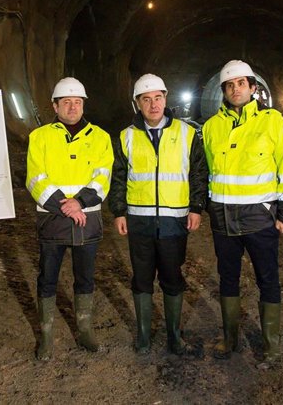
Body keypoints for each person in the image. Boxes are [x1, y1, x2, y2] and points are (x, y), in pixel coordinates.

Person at [202, 60, 283, 367]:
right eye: (229, 85)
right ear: (223, 91)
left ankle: (271, 346)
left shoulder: (272, 122)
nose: (235, 89)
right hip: (223, 219)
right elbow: (207, 169)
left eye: (241, 83)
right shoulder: (210, 127)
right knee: (227, 279)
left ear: (253, 87)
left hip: (259, 217)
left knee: (267, 279)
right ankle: (230, 339)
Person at [108, 73, 208, 355]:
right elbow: (117, 177)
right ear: (137, 104)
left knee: (172, 277)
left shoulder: (187, 134)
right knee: (141, 279)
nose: (153, 105)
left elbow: (199, 173)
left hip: (174, 220)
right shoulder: (126, 137)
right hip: (138, 221)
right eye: (146, 99)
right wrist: (118, 211)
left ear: (166, 99)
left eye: (158, 98)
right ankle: (143, 335)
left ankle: (174, 335)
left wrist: (196, 207)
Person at [26, 77, 113, 361]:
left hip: (87, 219)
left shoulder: (100, 137)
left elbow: (103, 177)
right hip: (53, 219)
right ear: (55, 105)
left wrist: (81, 202)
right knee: (48, 278)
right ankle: (47, 336)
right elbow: (36, 179)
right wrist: (68, 207)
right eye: (67, 102)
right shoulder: (39, 137)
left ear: (83, 104)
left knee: (85, 277)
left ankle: (85, 330)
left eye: (77, 102)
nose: (73, 107)